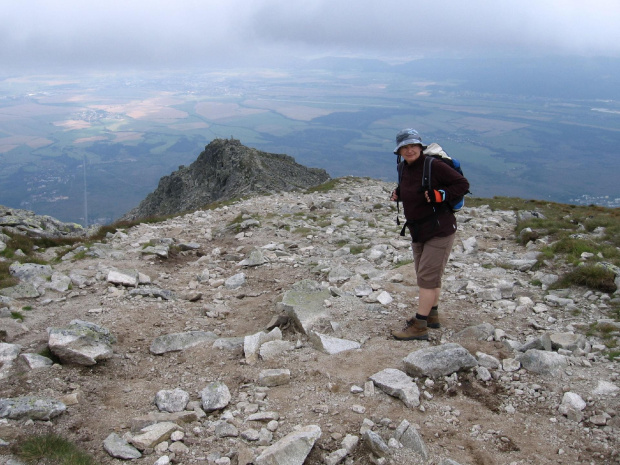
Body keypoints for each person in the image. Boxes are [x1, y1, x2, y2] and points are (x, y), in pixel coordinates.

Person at [390, 129, 470, 340]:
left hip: (439, 230)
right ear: (398, 151)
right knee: (426, 276)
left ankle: (420, 325)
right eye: (404, 147)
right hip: (418, 230)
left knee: (426, 278)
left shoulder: (434, 166)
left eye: (413, 146)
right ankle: (432, 315)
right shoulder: (402, 167)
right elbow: (410, 187)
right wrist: (399, 193)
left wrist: (441, 195)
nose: (409, 150)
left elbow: (463, 185)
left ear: (420, 147)